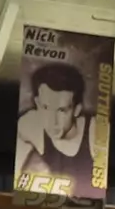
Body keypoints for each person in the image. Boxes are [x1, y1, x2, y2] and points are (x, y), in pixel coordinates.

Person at [15, 62, 97, 193]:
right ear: (37, 103)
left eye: (62, 110)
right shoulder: (29, 124)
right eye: (46, 107)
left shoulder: (96, 134)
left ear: (76, 110)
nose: (52, 121)